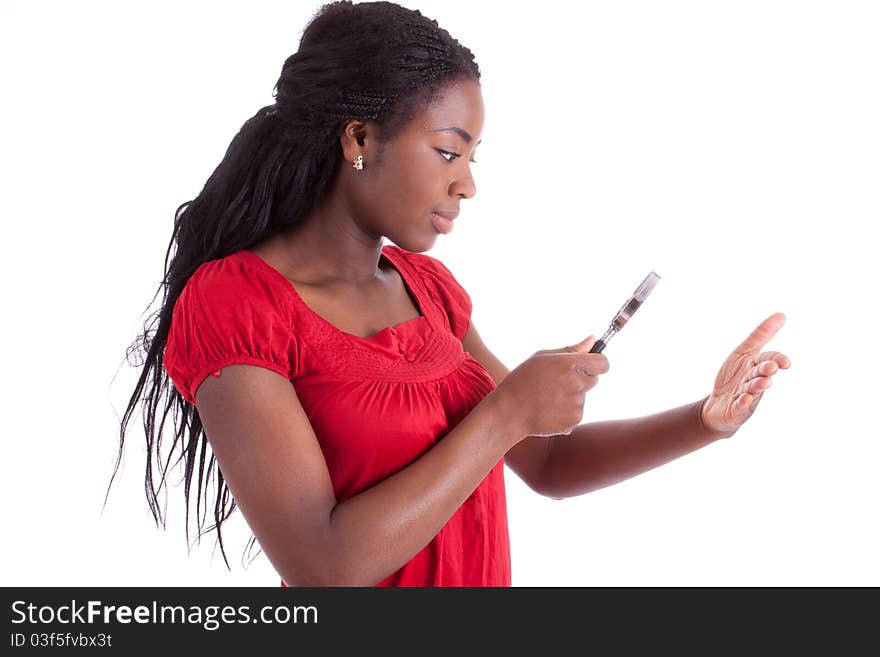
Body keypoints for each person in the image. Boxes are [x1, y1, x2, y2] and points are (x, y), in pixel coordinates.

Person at [112, 0, 790, 587]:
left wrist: (707, 419)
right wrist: (507, 412)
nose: (467, 184)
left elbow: (548, 461)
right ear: (359, 139)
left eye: (473, 157)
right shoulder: (237, 306)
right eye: (447, 151)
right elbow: (326, 566)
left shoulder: (429, 292)